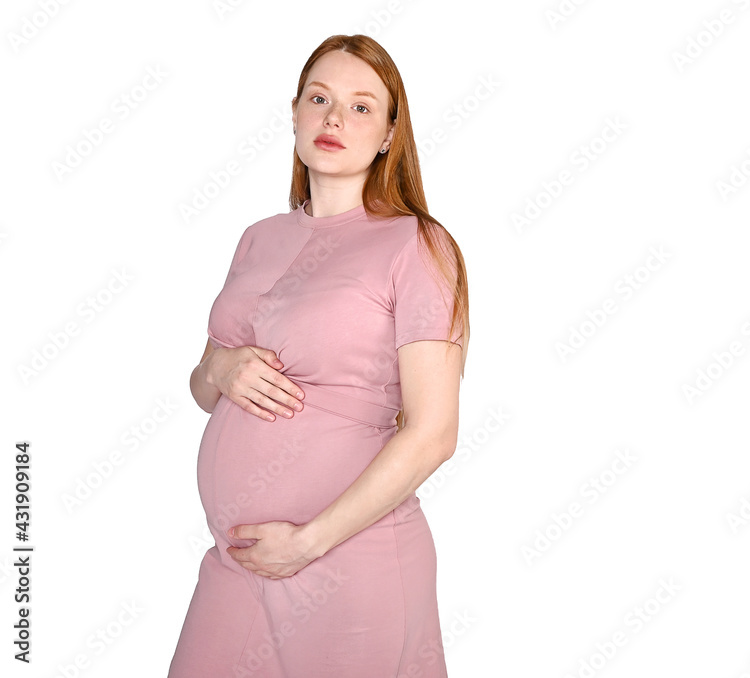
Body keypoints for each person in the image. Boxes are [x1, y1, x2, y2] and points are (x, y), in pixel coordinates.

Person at [168, 34, 470, 677]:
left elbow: (434, 434)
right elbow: (203, 387)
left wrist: (307, 543)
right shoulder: (258, 239)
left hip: (348, 561)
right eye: (320, 98)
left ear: (391, 133)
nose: (335, 118)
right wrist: (219, 368)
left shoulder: (418, 246)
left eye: (363, 107)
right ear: (297, 113)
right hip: (236, 560)